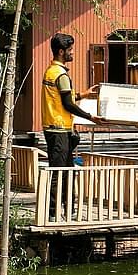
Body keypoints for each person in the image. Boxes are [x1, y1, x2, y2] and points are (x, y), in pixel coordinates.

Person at [41, 32, 102, 220]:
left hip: (57, 128)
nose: (72, 53)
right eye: (70, 50)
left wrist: (83, 94)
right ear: (61, 52)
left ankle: (68, 209)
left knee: (67, 171)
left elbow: (64, 98)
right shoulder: (60, 74)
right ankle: (53, 213)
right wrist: (91, 117)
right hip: (58, 128)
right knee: (59, 172)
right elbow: (68, 105)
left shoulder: (52, 71)